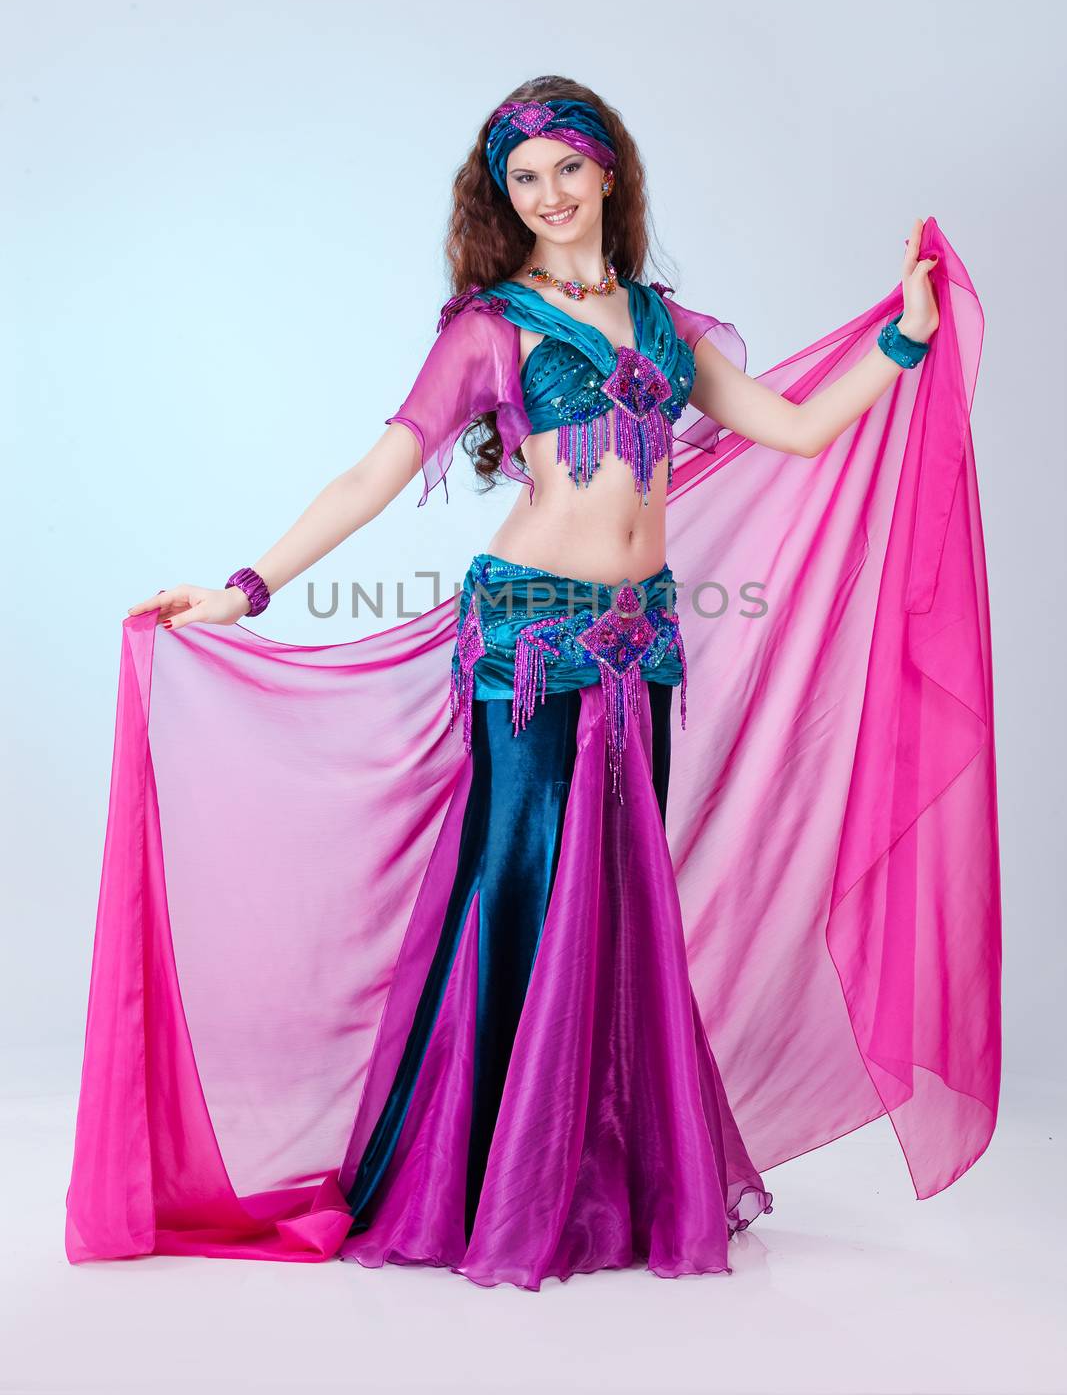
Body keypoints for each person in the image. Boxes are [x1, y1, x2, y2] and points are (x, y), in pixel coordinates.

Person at [65, 78, 1000, 1291]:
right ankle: (479, 1181)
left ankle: (580, 1173)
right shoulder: (487, 327)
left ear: (607, 170)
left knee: (616, 898)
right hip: (525, 640)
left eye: (565, 167)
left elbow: (798, 427)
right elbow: (374, 475)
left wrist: (906, 334)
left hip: (639, 640)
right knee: (515, 884)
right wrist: (245, 586)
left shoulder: (666, 326)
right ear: (504, 200)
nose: (548, 195)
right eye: (523, 179)